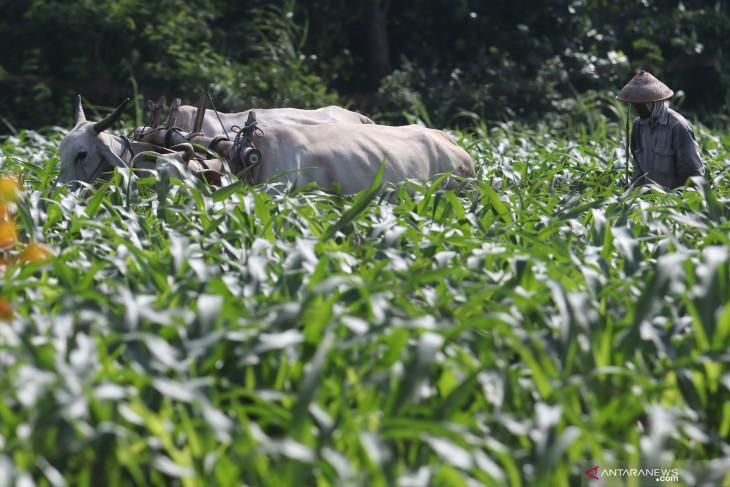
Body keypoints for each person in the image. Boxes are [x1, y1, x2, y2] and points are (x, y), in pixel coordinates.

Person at [616, 70, 704, 188]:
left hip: (673, 202)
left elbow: (693, 174)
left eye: (641, 105)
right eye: (636, 105)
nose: (638, 110)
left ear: (653, 103)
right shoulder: (638, 126)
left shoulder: (677, 127)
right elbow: (638, 172)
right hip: (648, 201)